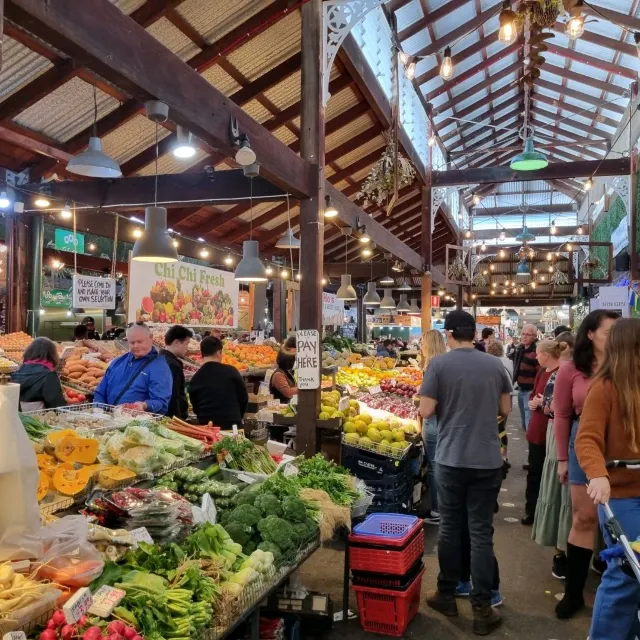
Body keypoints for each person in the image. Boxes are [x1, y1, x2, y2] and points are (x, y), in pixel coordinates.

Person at [419, 310, 512, 635]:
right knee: (481, 534)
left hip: (450, 459)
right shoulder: (494, 364)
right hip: (487, 460)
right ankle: (482, 609)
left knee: (449, 528)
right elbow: (505, 409)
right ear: (474, 333)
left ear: (448, 334)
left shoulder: (438, 365)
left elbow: (426, 410)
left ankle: (446, 594)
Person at [576, 318, 640, 640]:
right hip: (623, 496)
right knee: (628, 569)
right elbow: (586, 439)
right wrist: (598, 475)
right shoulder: (604, 388)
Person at [552, 309, 618, 619]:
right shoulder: (570, 370)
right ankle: (574, 592)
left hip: (621, 444)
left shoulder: (626, 366)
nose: (614, 338)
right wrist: (563, 459)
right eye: (608, 332)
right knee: (584, 518)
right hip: (583, 442)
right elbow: (563, 414)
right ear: (590, 334)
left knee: (620, 520)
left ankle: (617, 587)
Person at [532, 332, 575, 581]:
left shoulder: (562, 373)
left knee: (569, 498)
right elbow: (552, 409)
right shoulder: (562, 374)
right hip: (562, 437)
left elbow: (548, 406)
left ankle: (568, 553)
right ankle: (561, 552)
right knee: (562, 495)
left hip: (579, 438)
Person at [522, 340, 563, 526]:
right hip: (537, 429)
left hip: (552, 430)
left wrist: (543, 403)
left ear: (546, 355)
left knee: (551, 473)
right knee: (534, 470)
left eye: (538, 353)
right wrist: (533, 402)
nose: (535, 356)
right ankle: (531, 509)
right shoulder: (541, 372)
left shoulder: (561, 373)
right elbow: (533, 394)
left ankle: (547, 511)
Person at [93, 323, 172, 414]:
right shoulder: (117, 362)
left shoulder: (159, 367)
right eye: (132, 342)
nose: (136, 346)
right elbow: (100, 391)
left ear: (150, 338)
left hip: (137, 424)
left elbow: (161, 403)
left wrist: (144, 405)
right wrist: (99, 410)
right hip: (109, 421)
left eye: (140, 342)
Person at [189, 336, 249, 429]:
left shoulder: (195, 378)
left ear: (201, 354)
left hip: (208, 430)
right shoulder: (232, 371)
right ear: (219, 353)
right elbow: (243, 398)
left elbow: (196, 408)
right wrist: (237, 416)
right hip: (233, 427)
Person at [420, 329, 447, 526]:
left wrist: (419, 403)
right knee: (441, 465)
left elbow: (428, 407)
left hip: (433, 422)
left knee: (434, 467)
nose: (420, 347)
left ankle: (437, 511)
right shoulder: (446, 363)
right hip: (444, 421)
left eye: (422, 343)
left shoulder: (432, 366)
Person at [12, 337, 66, 410]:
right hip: (39, 419)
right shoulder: (49, 376)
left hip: (18, 417)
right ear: (51, 355)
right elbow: (57, 406)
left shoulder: (18, 372)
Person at [160, 325, 192, 420]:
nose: (187, 348)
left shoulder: (159, 359)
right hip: (172, 419)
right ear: (177, 342)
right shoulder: (173, 365)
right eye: (186, 343)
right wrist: (178, 420)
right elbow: (174, 396)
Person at [512, 324, 539, 431]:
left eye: (528, 335)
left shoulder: (536, 352)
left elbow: (540, 373)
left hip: (531, 391)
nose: (524, 337)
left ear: (534, 336)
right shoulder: (520, 349)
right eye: (523, 334)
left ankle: (531, 445)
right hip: (521, 389)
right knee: (524, 422)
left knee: (529, 423)